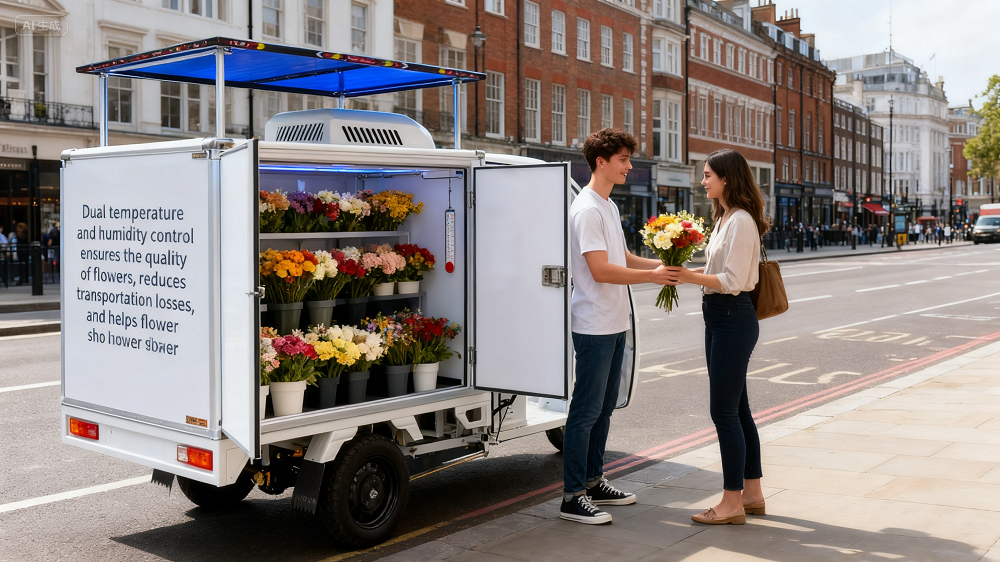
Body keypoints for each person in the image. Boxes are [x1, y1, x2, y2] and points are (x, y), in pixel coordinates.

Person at [561, 128, 673, 525]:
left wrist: (662, 265)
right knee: (586, 411)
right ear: (601, 162)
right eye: (624, 159)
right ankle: (572, 496)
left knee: (605, 408)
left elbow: (621, 255)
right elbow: (600, 269)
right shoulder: (587, 209)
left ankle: (593, 481)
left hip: (612, 322)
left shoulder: (606, 205)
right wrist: (653, 279)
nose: (630, 166)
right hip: (593, 324)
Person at [663, 148, 768, 526]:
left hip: (732, 317)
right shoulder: (725, 218)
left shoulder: (740, 220)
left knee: (723, 412)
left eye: (708, 175)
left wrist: (688, 276)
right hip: (721, 317)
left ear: (727, 178)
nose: (702, 180)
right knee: (738, 410)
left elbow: (733, 282)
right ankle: (752, 493)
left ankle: (731, 502)